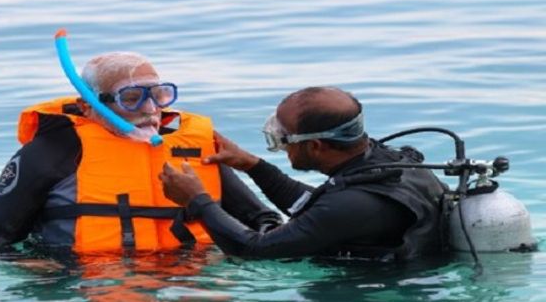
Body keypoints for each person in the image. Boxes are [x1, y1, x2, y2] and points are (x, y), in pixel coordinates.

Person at [0, 52, 280, 254]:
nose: (150, 110)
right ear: (87, 106)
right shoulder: (50, 153)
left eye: (159, 95)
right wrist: (38, 271)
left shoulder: (190, 150)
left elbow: (264, 220)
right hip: (82, 287)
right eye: (131, 98)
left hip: (189, 284)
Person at [159, 86, 448, 261]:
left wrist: (197, 201)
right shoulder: (391, 164)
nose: (282, 148)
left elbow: (254, 250)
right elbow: (316, 208)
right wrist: (253, 166)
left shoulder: (350, 205)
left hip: (374, 301)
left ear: (315, 145)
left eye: (283, 139)